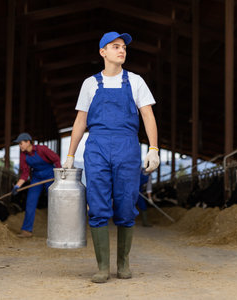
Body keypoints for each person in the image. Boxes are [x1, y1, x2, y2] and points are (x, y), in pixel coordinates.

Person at [63, 31, 160, 283]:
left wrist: (153, 149)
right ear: (102, 52)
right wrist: (71, 154)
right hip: (96, 147)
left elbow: (147, 115)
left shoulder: (136, 81)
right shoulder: (90, 83)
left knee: (126, 205)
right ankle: (103, 267)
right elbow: (80, 120)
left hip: (127, 146)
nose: (122, 50)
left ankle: (123, 263)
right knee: (97, 205)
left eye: (124, 47)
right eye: (115, 46)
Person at [12, 132, 61, 238]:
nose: (20, 146)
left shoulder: (42, 149)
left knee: (54, 202)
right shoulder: (23, 156)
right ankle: (26, 230)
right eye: (19, 144)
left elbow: (56, 159)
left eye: (21, 143)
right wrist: (17, 186)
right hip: (36, 177)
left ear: (28, 142)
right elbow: (25, 174)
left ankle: (60, 230)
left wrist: (59, 177)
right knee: (30, 201)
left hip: (50, 175)